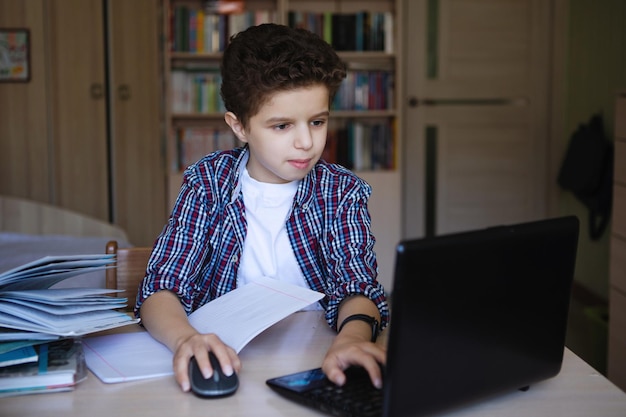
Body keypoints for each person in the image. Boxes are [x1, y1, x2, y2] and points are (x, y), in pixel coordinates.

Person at [136, 23, 390, 393]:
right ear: (239, 126)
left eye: (317, 121)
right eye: (282, 126)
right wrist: (184, 339)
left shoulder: (341, 190)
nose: (306, 142)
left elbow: (357, 287)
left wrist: (352, 338)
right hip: (229, 361)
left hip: (316, 363)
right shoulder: (207, 184)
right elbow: (161, 287)